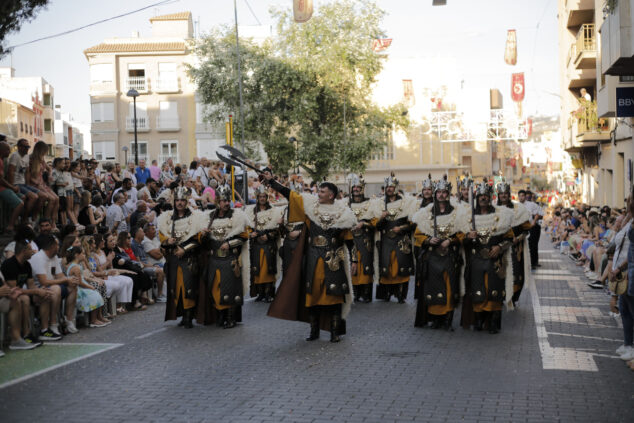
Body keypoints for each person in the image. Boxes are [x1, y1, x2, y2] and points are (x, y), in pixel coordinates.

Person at [264, 171, 356, 343]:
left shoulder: (343, 212)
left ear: (331, 195)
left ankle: (334, 332)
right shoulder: (311, 207)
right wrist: (272, 182)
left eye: (322, 192)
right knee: (312, 295)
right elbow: (290, 194)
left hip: (334, 258)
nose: (318, 194)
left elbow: (349, 239)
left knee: (335, 296)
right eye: (318, 191)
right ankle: (314, 331)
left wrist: (355, 260)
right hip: (314, 257)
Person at [461, 180, 514, 334]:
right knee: (478, 289)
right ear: (476, 199)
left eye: (486, 196)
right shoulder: (468, 216)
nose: (483, 198)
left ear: (490, 197)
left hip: (494, 260)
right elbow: (461, 239)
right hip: (476, 259)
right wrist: (468, 236)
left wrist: (499, 247)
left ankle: (493, 323)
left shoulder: (501, 215)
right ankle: (478, 320)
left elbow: (509, 238)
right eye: (480, 196)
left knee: (494, 290)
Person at [412, 176, 466, 330]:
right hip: (431, 257)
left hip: (449, 256)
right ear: (435, 194)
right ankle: (435, 319)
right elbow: (418, 234)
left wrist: (451, 240)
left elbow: (462, 233)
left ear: (448, 194)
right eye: (439, 192)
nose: (441, 195)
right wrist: (429, 240)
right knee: (432, 287)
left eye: (444, 192)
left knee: (449, 287)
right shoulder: (426, 213)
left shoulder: (457, 213)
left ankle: (447, 319)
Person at [197, 185, 250, 329]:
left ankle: (230, 318)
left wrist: (230, 243)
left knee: (229, 289)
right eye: (223, 200)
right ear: (218, 202)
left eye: (228, 200)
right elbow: (203, 243)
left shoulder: (237, 216)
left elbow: (244, 236)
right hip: (215, 259)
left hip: (230, 259)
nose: (227, 203)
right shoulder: (208, 217)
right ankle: (220, 316)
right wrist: (204, 235)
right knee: (215, 289)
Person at [158, 186, 209, 328]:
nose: (179, 203)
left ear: (187, 201)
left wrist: (184, 249)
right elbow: (162, 236)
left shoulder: (196, 217)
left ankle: (188, 316)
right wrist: (167, 242)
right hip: (173, 259)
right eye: (177, 200)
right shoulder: (166, 218)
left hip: (189, 259)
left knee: (189, 288)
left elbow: (197, 238)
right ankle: (182, 315)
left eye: (182, 200)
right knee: (176, 289)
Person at [375, 173, 418, 303]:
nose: (389, 188)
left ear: (396, 187)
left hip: (401, 240)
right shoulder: (379, 203)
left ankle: (400, 294)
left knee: (401, 267)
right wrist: (382, 217)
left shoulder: (406, 203)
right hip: (386, 239)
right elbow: (376, 226)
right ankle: (386, 293)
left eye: (391, 186)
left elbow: (412, 224)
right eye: (387, 186)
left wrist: (401, 228)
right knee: (386, 266)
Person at [29, 234, 80, 335]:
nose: (59, 247)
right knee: (56, 289)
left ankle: (69, 321)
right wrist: (65, 279)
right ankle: (53, 324)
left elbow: (60, 276)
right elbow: (44, 282)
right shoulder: (39, 258)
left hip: (52, 285)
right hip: (40, 287)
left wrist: (69, 280)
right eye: (57, 245)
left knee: (72, 285)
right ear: (52, 246)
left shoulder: (54, 257)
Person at [0, 240, 44, 349]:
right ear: (23, 251)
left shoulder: (27, 265)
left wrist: (38, 291)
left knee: (42, 295)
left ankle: (27, 335)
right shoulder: (9, 265)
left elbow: (9, 287)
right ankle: (23, 335)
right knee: (22, 298)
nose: (33, 251)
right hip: (11, 295)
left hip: (11, 295)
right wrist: (35, 291)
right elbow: (13, 288)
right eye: (30, 249)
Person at [496, 181, 532, 306]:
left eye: (506, 193)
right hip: (499, 247)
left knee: (517, 274)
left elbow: (527, 229)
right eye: (501, 194)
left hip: (516, 248)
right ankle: (500, 296)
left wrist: (519, 238)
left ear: (509, 194)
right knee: (499, 273)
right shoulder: (494, 209)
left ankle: (513, 297)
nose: (503, 196)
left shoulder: (518, 209)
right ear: (498, 195)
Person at [246, 185, 284, 302]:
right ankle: (260, 293)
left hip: (269, 244)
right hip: (256, 244)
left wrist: (268, 235)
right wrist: (251, 234)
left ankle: (269, 293)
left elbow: (277, 228)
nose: (262, 198)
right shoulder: (251, 211)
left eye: (264, 196)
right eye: (260, 196)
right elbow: (247, 226)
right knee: (257, 268)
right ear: (257, 197)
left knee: (268, 268)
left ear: (267, 197)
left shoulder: (274, 211)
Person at [347, 175, 381, 303]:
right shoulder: (346, 203)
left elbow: (375, 219)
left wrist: (364, 223)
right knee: (353, 264)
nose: (356, 189)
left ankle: (366, 294)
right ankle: (355, 293)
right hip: (351, 238)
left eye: (358, 187)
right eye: (354, 187)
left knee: (366, 265)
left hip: (365, 238)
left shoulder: (370, 203)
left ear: (362, 189)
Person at [64, 246, 106, 327]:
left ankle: (97, 317)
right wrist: (90, 287)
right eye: (82, 254)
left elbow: (83, 278)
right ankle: (93, 320)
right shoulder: (76, 267)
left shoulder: (76, 265)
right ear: (76, 255)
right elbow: (80, 282)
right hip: (78, 290)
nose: (84, 255)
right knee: (94, 295)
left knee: (96, 294)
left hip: (81, 287)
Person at [93, 233, 134, 314]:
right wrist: (108, 261)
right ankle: (116, 306)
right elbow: (100, 269)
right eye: (102, 240)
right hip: (103, 274)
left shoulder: (102, 252)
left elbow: (110, 267)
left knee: (128, 280)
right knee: (120, 282)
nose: (104, 242)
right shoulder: (94, 255)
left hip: (108, 273)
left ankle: (122, 304)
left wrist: (114, 270)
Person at [28, 141, 59, 228]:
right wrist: (36, 182)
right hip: (34, 184)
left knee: (57, 198)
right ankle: (45, 221)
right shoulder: (31, 159)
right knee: (52, 199)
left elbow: (49, 168)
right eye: (45, 150)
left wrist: (49, 175)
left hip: (42, 183)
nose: (46, 152)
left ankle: (52, 222)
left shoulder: (42, 159)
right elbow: (27, 175)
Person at [6, 138, 39, 221]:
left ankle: (33, 218)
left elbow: (27, 172)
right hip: (16, 184)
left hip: (23, 184)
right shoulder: (15, 156)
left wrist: (27, 185)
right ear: (19, 147)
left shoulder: (27, 156)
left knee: (43, 196)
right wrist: (12, 187)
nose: (27, 149)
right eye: (25, 147)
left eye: (28, 147)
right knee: (33, 197)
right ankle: (24, 220)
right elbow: (11, 172)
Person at [131, 226, 165, 303]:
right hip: (141, 267)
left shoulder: (140, 244)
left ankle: (162, 294)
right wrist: (151, 266)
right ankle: (159, 296)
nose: (144, 233)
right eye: (142, 232)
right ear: (137, 234)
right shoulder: (134, 245)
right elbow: (139, 262)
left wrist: (152, 266)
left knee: (161, 268)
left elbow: (145, 260)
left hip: (147, 265)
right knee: (160, 271)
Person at [0, 141, 25, 233]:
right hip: (1, 188)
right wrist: (12, 187)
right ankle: (10, 226)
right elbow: (1, 180)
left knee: (23, 197)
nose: (9, 151)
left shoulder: (3, 161)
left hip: (5, 187)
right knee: (20, 204)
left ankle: (18, 222)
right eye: (7, 150)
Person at [522, 190, 544, 269]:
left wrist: (535, 216)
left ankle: (534, 262)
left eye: (529, 195)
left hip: (534, 227)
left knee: (534, 245)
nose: (527, 197)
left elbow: (541, 215)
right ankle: (528, 262)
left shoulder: (535, 204)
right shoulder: (520, 205)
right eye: (526, 195)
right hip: (524, 226)